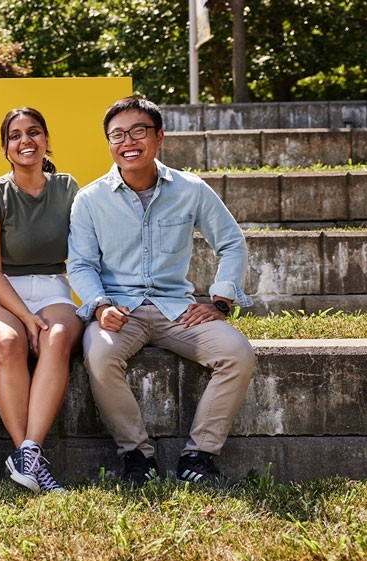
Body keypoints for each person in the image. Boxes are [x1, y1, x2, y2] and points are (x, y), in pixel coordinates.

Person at [67, 95, 256, 486]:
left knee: (237, 353)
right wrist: (100, 306)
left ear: (159, 137)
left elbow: (232, 243)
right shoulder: (89, 199)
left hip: (177, 310)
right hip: (120, 311)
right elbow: (81, 264)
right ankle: (137, 457)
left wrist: (220, 300)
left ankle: (199, 457)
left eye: (138, 131)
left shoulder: (191, 189)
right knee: (99, 355)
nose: (127, 141)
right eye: (116, 135)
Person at [0, 107, 84, 493]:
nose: (25, 141)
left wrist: (42, 319)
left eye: (33, 132)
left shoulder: (68, 188)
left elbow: (84, 252)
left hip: (53, 286)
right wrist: (25, 317)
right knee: (10, 341)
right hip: (1, 293)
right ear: (5, 148)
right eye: (15, 135)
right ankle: (29, 457)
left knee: (57, 338)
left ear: (47, 140)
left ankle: (29, 454)